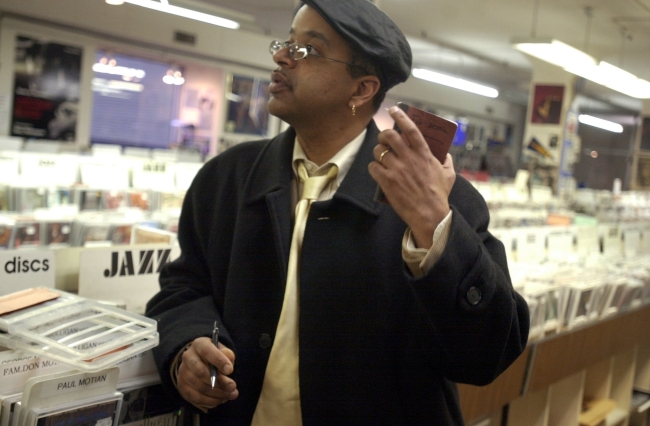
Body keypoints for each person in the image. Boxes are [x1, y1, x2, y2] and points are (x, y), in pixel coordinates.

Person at [145, 1, 529, 425]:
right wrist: (188, 345)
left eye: (307, 49)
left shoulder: (442, 197)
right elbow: (183, 288)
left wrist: (435, 227)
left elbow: (488, 353)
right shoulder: (227, 179)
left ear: (362, 90)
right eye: (287, 41)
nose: (281, 56)